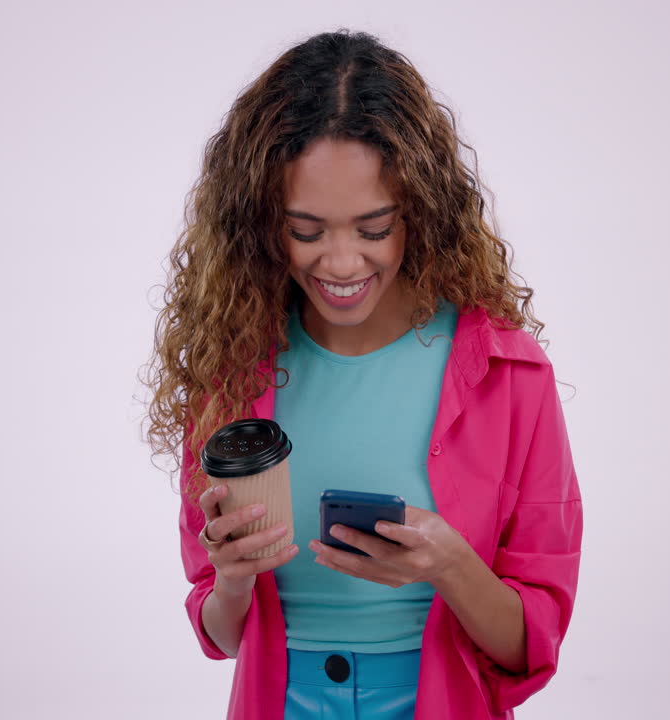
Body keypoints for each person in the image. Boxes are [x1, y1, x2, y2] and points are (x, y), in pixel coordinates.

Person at [141, 29, 583, 720]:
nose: (342, 263)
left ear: (422, 212)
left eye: (373, 228)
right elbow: (223, 634)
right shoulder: (233, 371)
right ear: (261, 222)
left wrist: (448, 565)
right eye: (307, 231)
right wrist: (230, 583)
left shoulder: (509, 375)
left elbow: (532, 647)